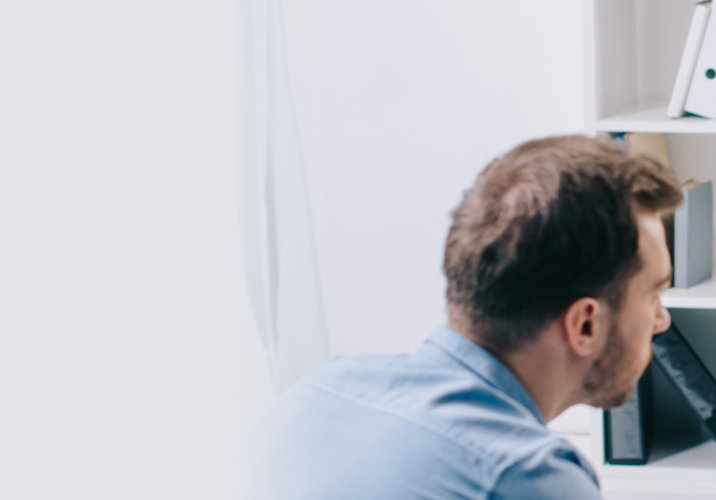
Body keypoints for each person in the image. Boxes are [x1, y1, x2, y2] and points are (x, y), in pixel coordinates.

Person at [256, 135, 683, 498]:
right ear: (585, 325)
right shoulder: (526, 476)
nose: (661, 320)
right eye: (653, 294)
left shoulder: (318, 393)